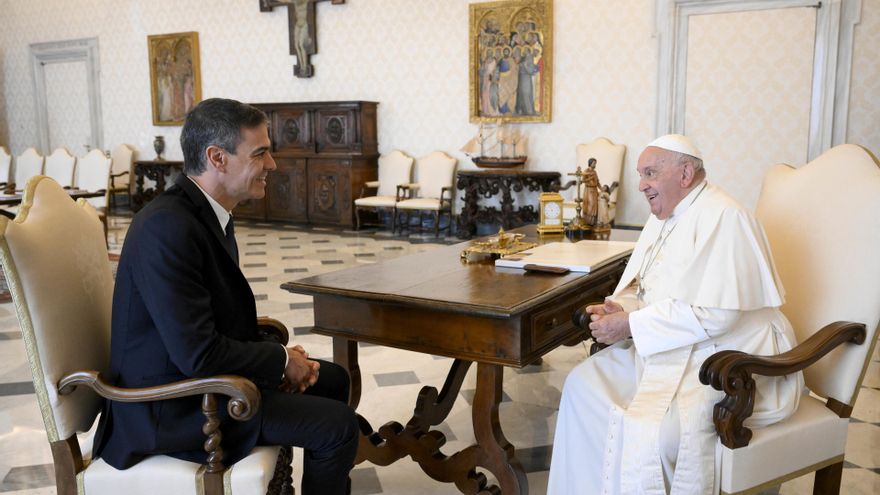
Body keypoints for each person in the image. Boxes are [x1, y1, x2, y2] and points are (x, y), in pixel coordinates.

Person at [93, 98, 358, 495]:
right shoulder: (167, 228)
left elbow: (215, 322)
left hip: (201, 383)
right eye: (261, 153)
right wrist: (280, 361)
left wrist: (282, 359)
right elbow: (197, 353)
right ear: (217, 157)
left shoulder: (205, 214)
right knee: (337, 428)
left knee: (333, 379)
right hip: (170, 408)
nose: (272, 164)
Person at [547, 135, 803, 494]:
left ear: (685, 173)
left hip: (733, 355)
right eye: (640, 174)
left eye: (650, 173)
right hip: (678, 342)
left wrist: (630, 324)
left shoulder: (725, 216)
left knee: (663, 435)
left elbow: (718, 314)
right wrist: (624, 308)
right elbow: (652, 286)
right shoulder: (664, 215)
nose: (641, 185)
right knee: (580, 386)